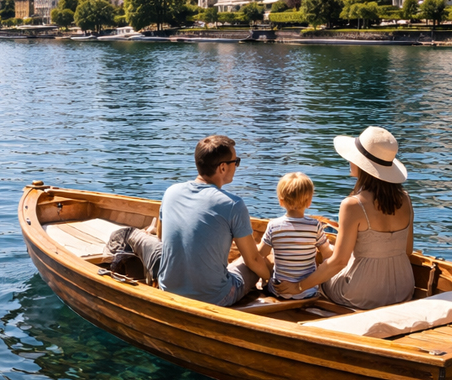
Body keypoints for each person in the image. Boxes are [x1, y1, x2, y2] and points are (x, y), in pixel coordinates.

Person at [106, 135, 272, 306]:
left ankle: (137, 238)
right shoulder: (233, 204)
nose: (237, 166)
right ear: (223, 168)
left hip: (169, 290)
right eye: (235, 162)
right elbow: (253, 260)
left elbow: (162, 240)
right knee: (257, 263)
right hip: (215, 299)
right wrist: (273, 281)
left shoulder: (171, 192)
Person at [277, 127, 414, 309]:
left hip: (363, 294)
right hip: (404, 288)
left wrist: (298, 286)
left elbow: (339, 262)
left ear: (362, 164)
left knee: (323, 263)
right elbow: (407, 250)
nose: (349, 160)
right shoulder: (405, 198)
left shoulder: (353, 205)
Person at [257, 172, 333, 300]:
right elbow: (327, 254)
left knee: (268, 259)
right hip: (307, 291)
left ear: (281, 201)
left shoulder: (274, 226)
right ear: (309, 202)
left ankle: (265, 283)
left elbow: (260, 254)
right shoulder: (315, 226)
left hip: (279, 291)